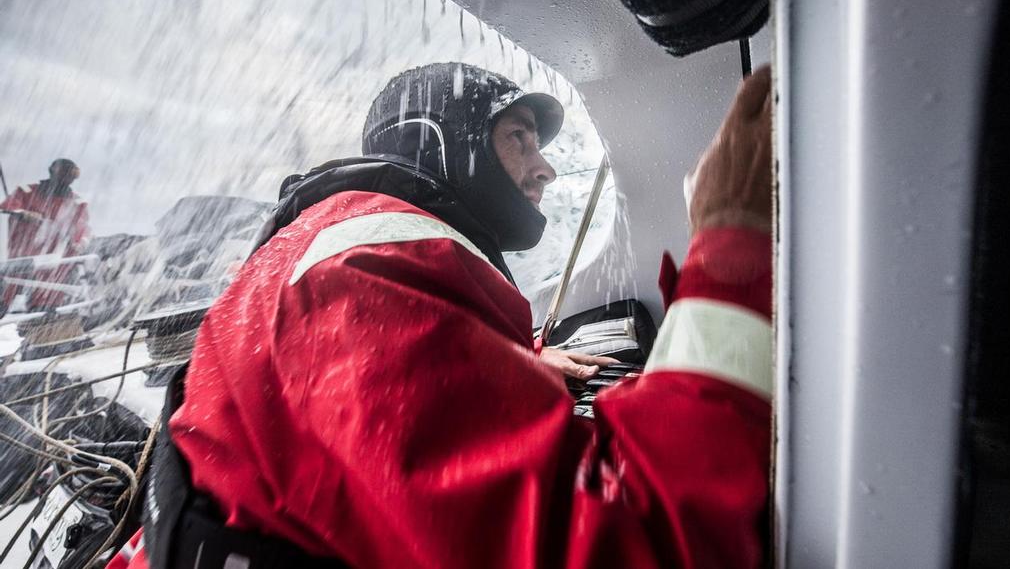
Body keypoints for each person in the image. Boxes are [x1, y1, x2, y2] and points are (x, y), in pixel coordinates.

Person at [113, 62, 773, 569]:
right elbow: (628, 549)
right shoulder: (359, 274)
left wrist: (522, 367)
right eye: (518, 138)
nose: (544, 168)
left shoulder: (365, 261)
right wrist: (732, 253)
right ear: (436, 141)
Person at [0, 158, 90, 311]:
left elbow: (82, 229)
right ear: (52, 173)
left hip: (51, 261)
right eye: (63, 175)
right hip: (22, 256)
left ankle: (43, 324)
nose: (66, 180)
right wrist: (24, 213)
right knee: (8, 290)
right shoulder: (26, 192)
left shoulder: (77, 203)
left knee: (46, 299)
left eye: (70, 177)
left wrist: (80, 242)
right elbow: (9, 206)